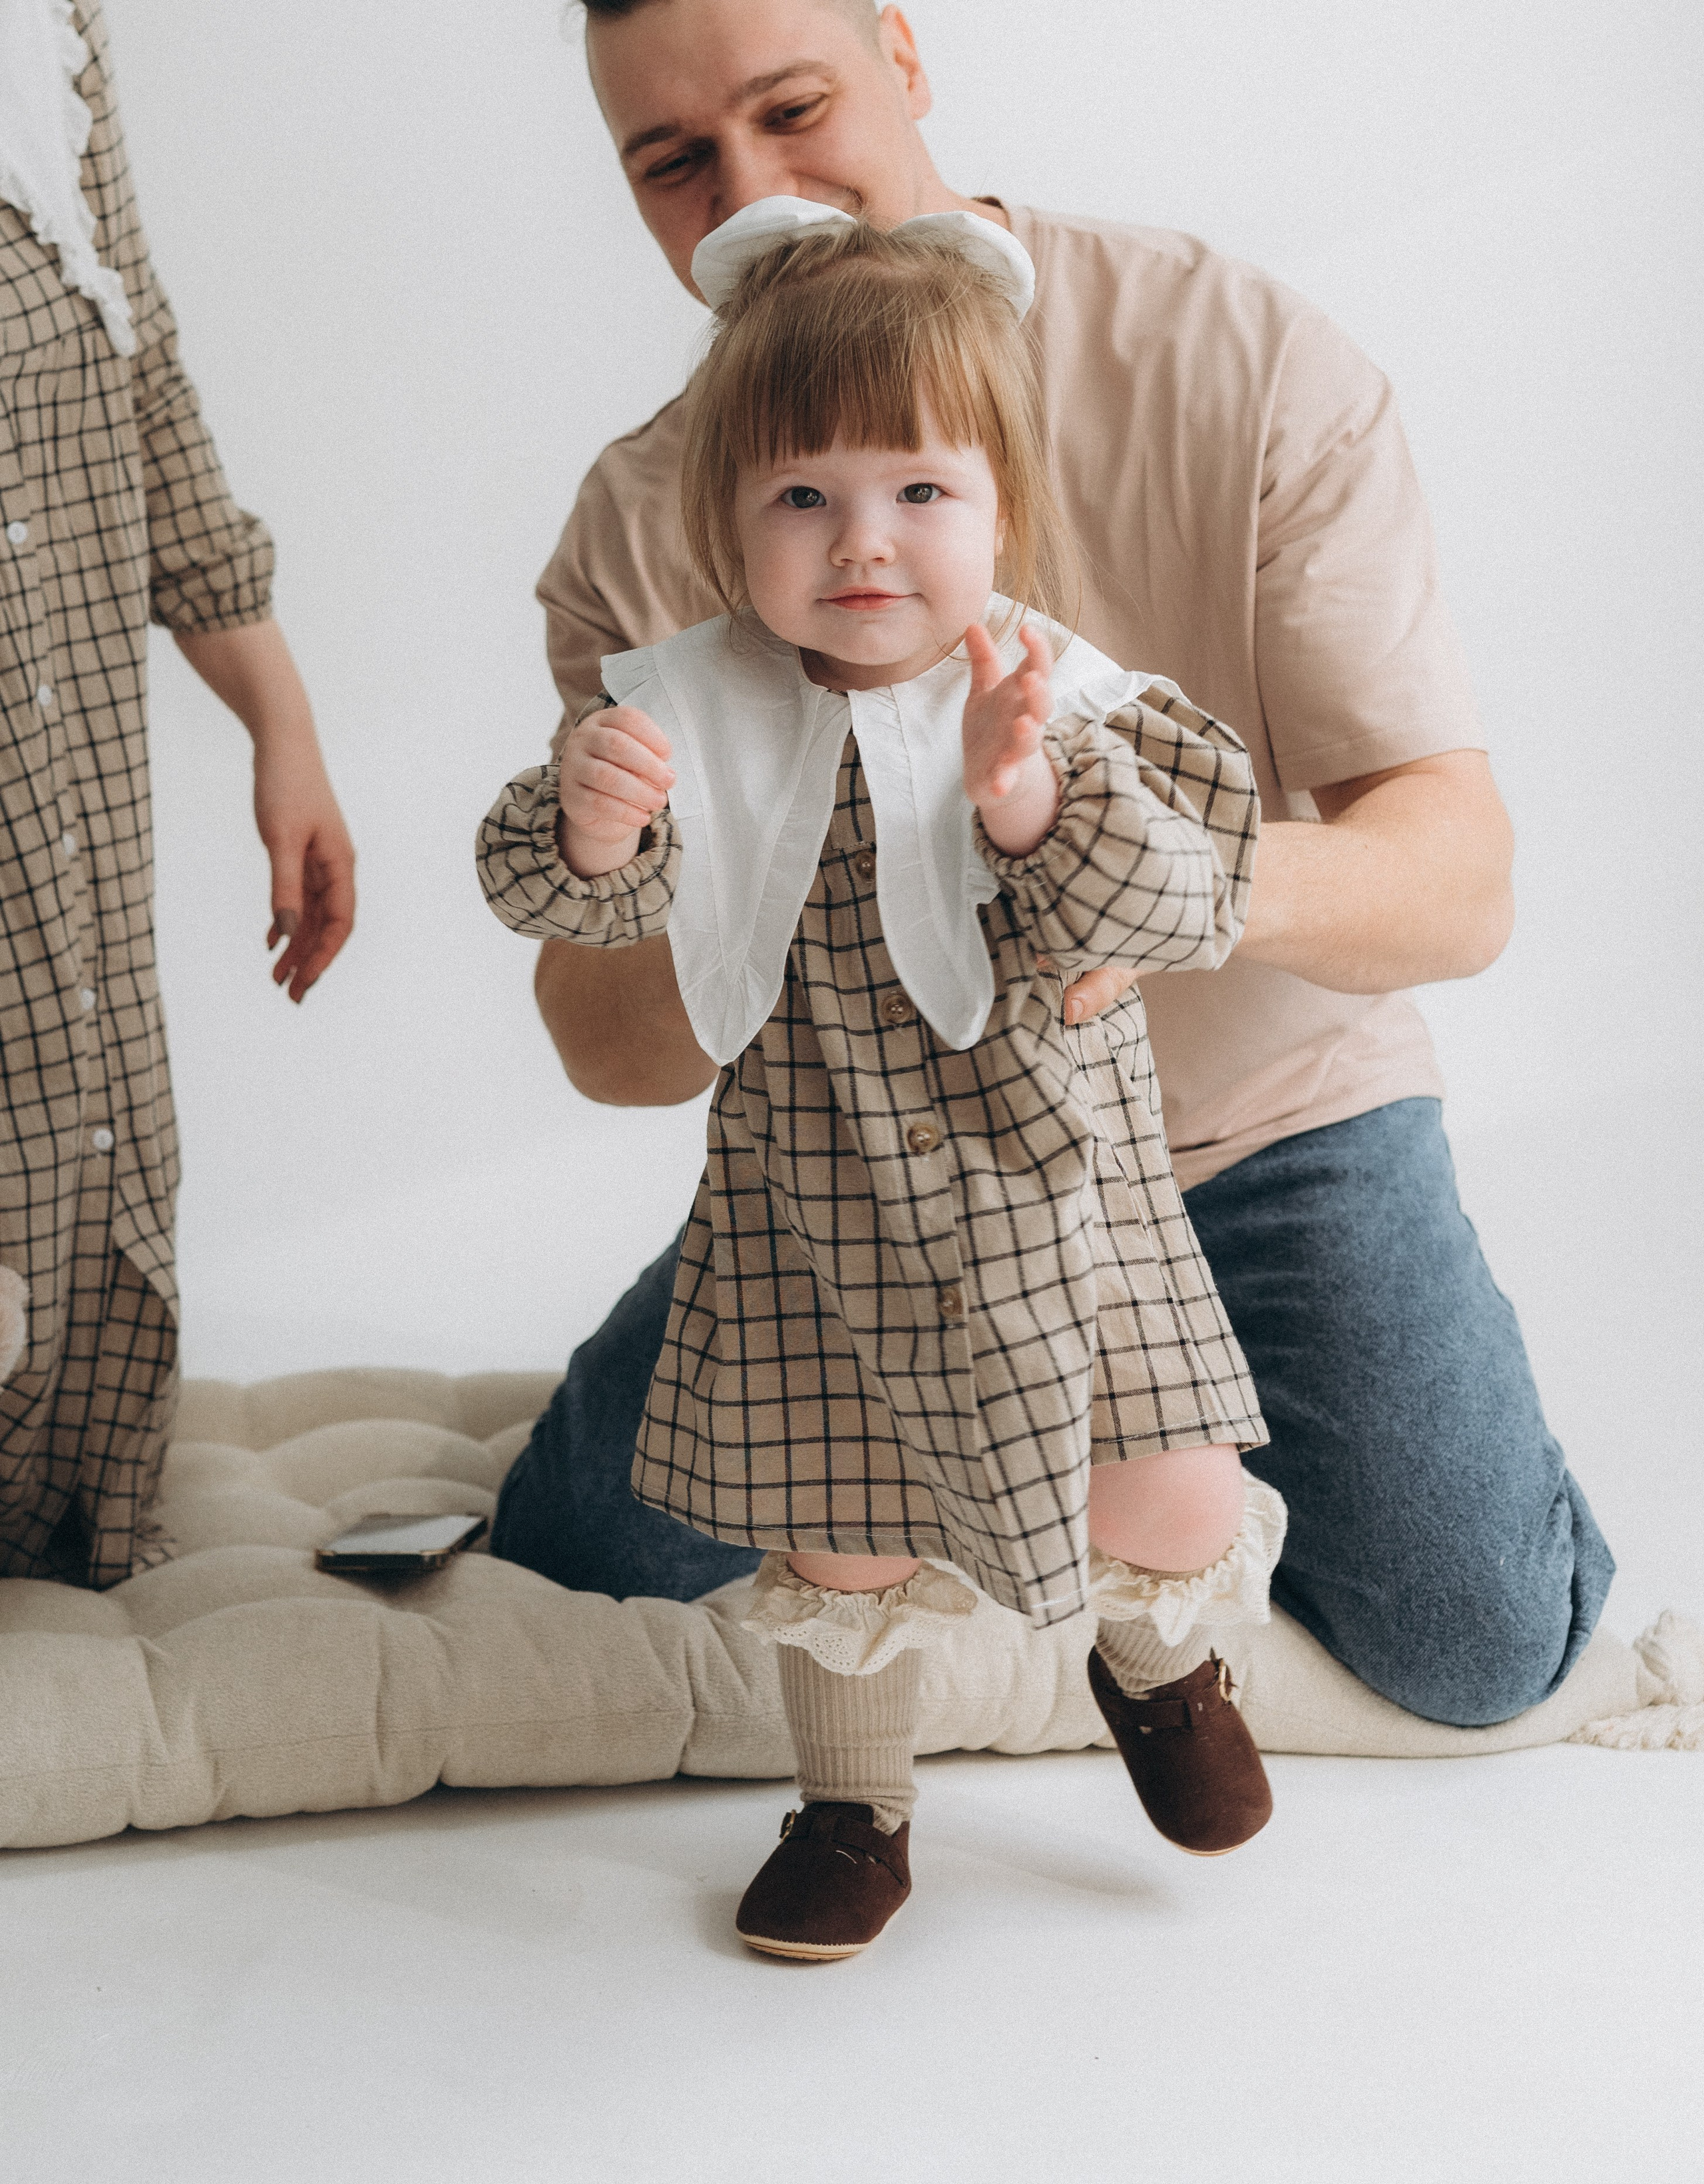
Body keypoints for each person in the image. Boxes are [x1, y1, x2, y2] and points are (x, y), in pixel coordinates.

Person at [494, 0, 1613, 1738]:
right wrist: (702, 856)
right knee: (575, 1561)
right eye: (674, 162)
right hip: (862, 1174)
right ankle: (981, 1530)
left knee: (1480, 1642)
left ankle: (1149, 1496)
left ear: (905, 54)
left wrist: (1123, 891)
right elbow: (600, 1041)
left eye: (796, 109)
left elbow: (1456, 883)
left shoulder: (1231, 353)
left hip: (1271, 1134)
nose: (752, 190)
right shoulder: (646, 519)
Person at [481, 202, 1289, 1956]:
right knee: (843, 1532)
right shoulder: (694, 704)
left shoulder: (1050, 690)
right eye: (802, 497)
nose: (865, 543)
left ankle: (1155, 1663)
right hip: (819, 1203)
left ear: (1000, 505)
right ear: (729, 522)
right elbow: (544, 886)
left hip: (1065, 1183)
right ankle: (854, 1806)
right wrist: (599, 823)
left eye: (920, 491)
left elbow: (1187, 888)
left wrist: (1028, 805)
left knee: (1165, 1479)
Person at [0, 1, 355, 1587]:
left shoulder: (47, 30)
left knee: (87, 1164)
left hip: (70, 796)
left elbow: (141, 374)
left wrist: (283, 727)